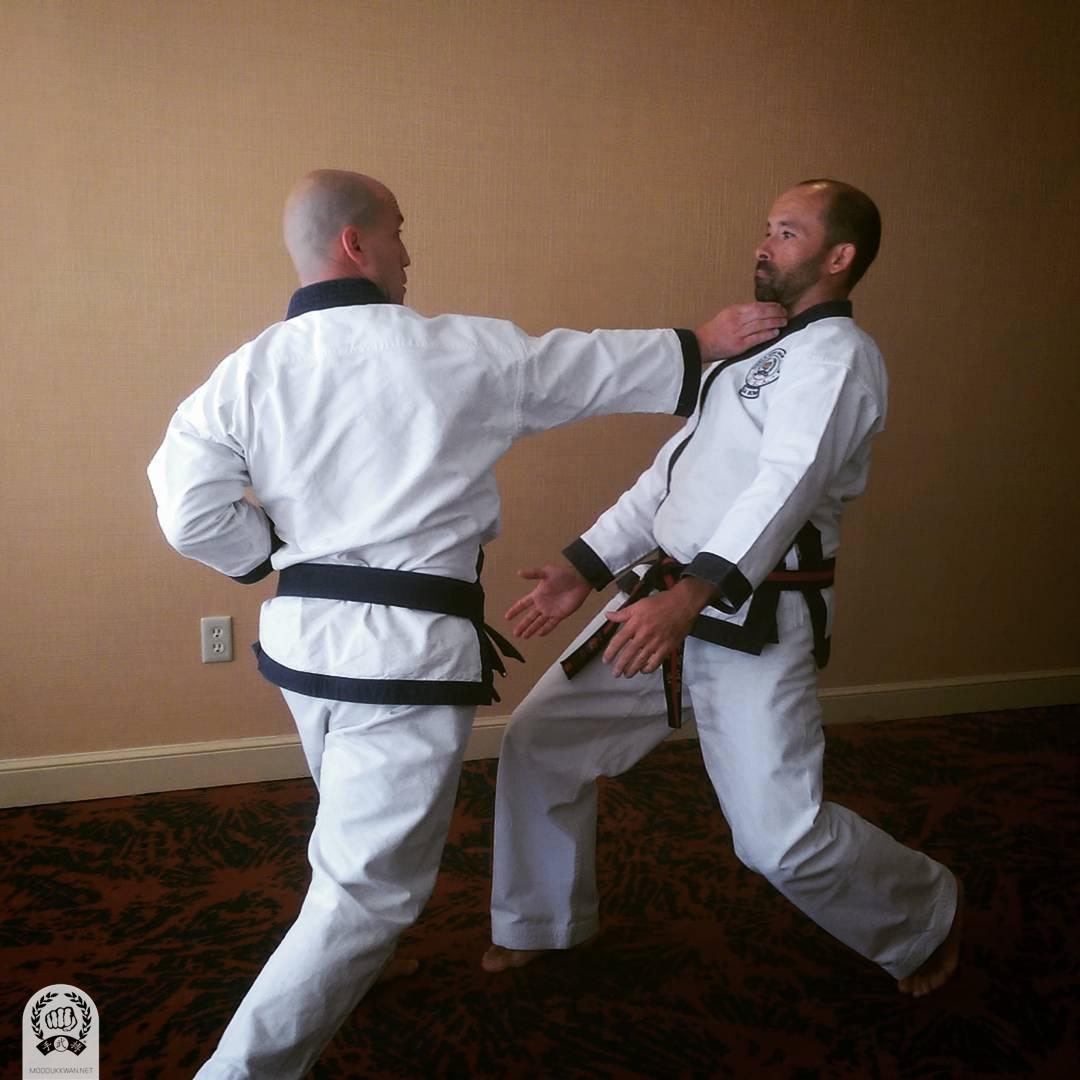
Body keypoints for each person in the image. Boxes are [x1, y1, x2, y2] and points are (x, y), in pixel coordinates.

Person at [147, 168, 786, 1078]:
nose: (409, 251)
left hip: (305, 648)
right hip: (403, 662)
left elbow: (187, 512)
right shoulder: (454, 351)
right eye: (398, 231)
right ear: (355, 244)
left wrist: (266, 554)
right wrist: (700, 344)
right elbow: (580, 366)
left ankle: (356, 969)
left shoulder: (244, 371)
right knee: (366, 894)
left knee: (348, 830)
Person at [484, 179, 963, 998]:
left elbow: (788, 483)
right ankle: (542, 919)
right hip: (664, 598)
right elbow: (670, 480)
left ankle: (925, 913)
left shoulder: (840, 358)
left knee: (778, 838)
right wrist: (584, 567)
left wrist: (693, 596)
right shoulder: (752, 356)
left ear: (839, 257)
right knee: (540, 741)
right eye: (767, 229)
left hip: (750, 615)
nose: (764, 245)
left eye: (788, 231)